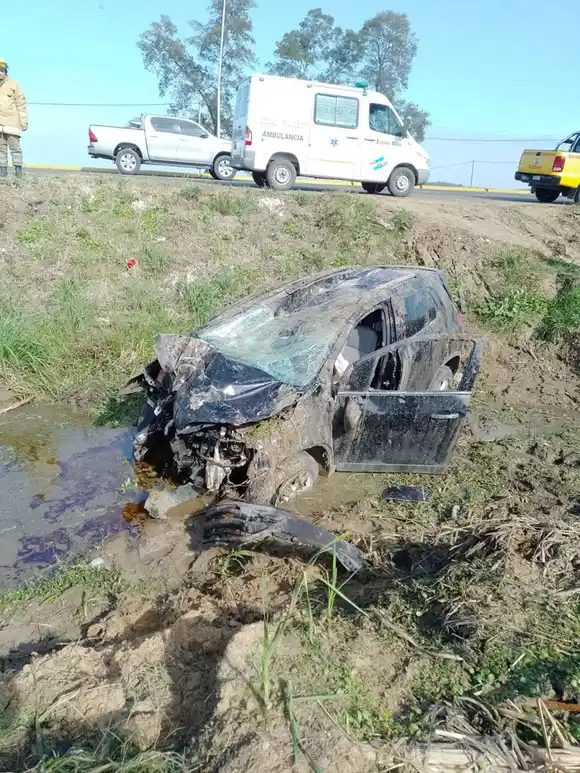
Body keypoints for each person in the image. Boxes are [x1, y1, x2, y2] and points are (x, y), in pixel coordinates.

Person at [0, 57, 28, 178]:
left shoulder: (13, 84)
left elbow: (20, 104)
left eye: (2, 69)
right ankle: (2, 174)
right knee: (1, 150)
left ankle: (18, 174)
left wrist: (24, 122)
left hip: (12, 124)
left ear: (6, 71)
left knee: (15, 149)